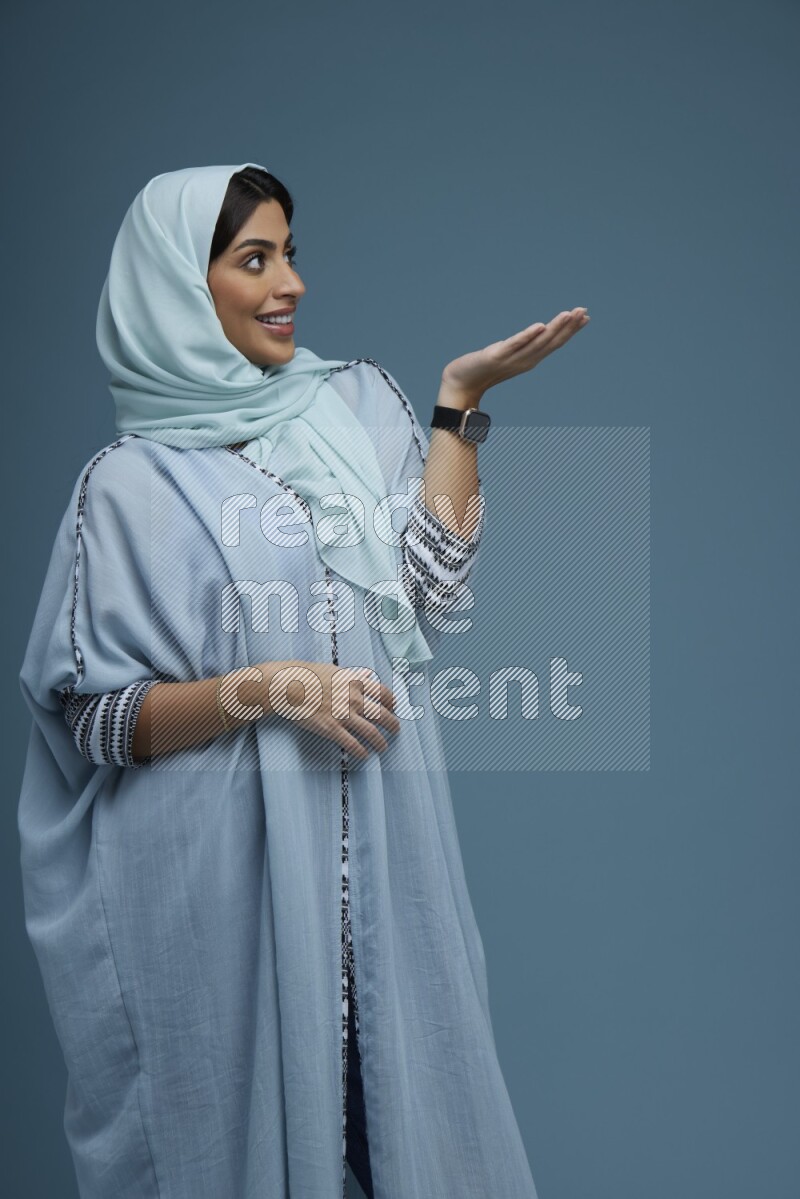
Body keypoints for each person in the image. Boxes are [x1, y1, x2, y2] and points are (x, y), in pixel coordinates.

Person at [17, 162, 588, 1199]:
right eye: (254, 259)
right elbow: (94, 720)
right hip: (215, 893)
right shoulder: (126, 488)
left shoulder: (355, 406)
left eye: (289, 253)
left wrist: (458, 405)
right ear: (178, 285)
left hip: (383, 863)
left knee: (419, 1136)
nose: (290, 283)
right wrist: (269, 688)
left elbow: (429, 588)